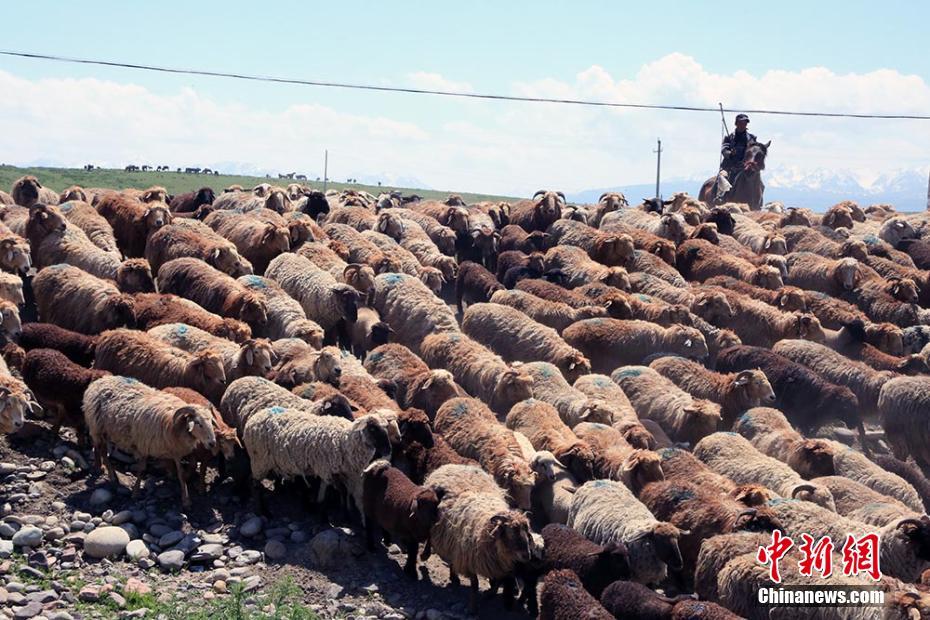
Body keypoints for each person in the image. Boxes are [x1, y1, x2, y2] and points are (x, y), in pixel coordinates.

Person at [716, 113, 758, 201]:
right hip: (729, 166)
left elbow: (754, 151)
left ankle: (757, 199)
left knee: (757, 180)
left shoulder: (752, 138)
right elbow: (724, 150)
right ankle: (721, 196)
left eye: (745, 123)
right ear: (736, 123)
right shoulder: (729, 137)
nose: (743, 125)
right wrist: (730, 153)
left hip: (744, 166)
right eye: (741, 123)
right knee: (723, 177)